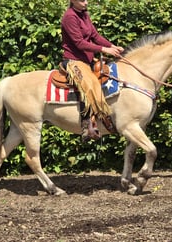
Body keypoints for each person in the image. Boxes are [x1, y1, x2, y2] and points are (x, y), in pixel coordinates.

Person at [61, 0, 124, 142]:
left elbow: (95, 36)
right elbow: (79, 43)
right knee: (89, 86)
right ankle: (86, 126)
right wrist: (103, 49)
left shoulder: (84, 14)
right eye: (82, 0)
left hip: (88, 60)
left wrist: (112, 46)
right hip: (74, 60)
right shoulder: (69, 17)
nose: (86, 2)